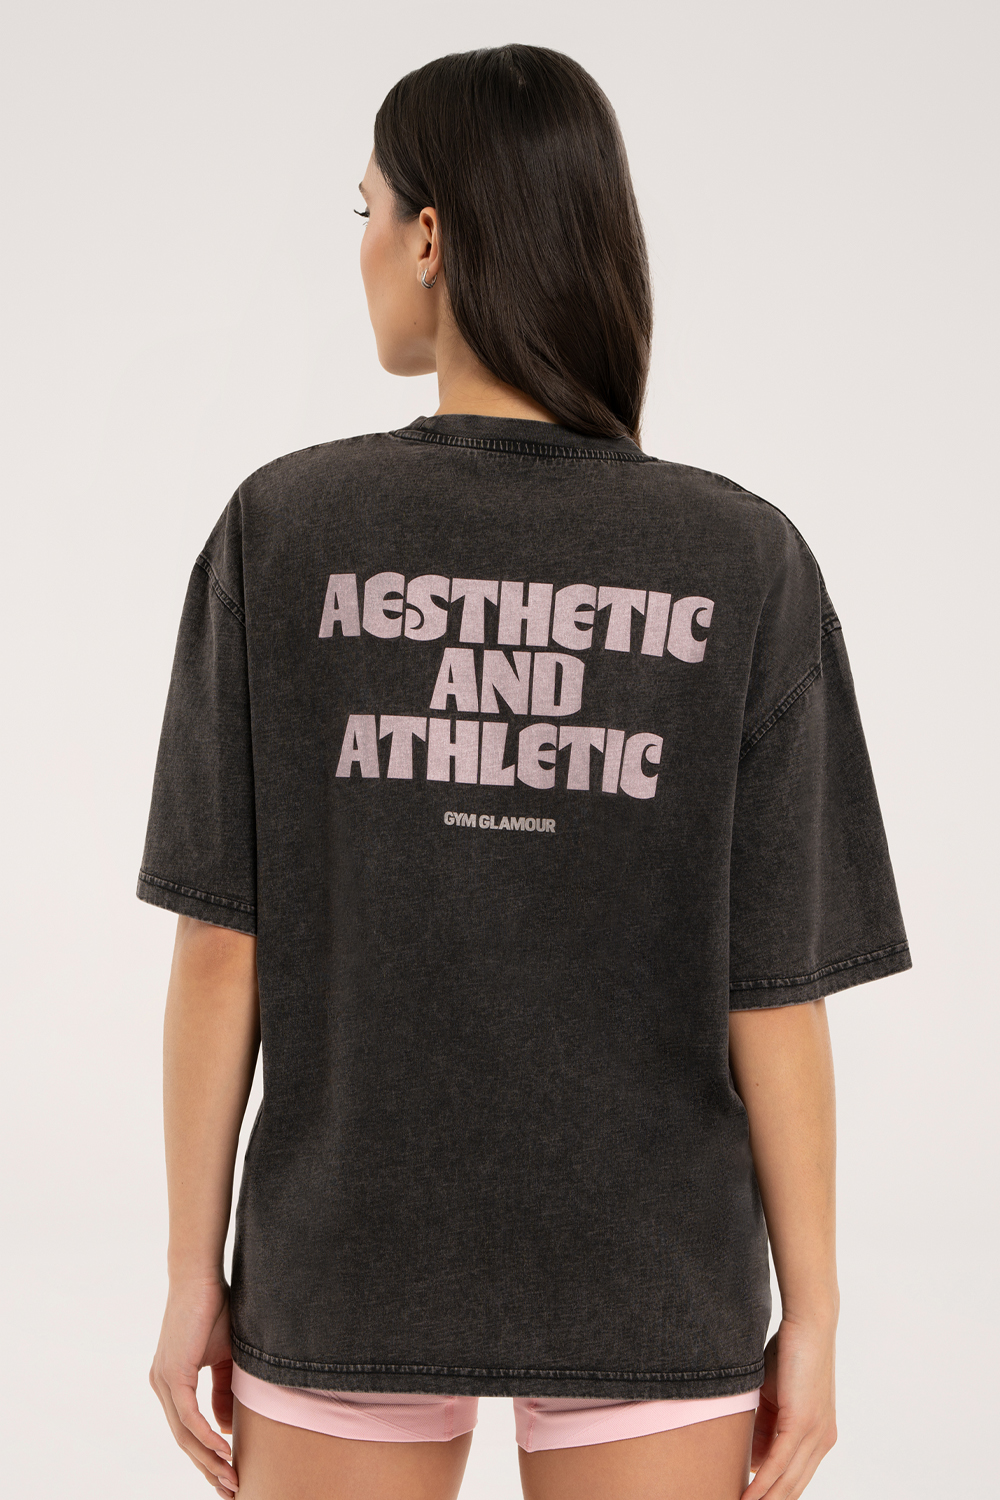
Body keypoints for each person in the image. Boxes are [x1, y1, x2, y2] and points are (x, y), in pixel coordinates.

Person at [140, 44, 911, 1500]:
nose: (362, 248)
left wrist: (193, 1269)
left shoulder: (283, 531)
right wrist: (812, 1315)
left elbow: (220, 946)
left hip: (353, 1251)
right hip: (651, 1269)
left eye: (365, 210)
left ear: (431, 238)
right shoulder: (744, 561)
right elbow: (773, 988)